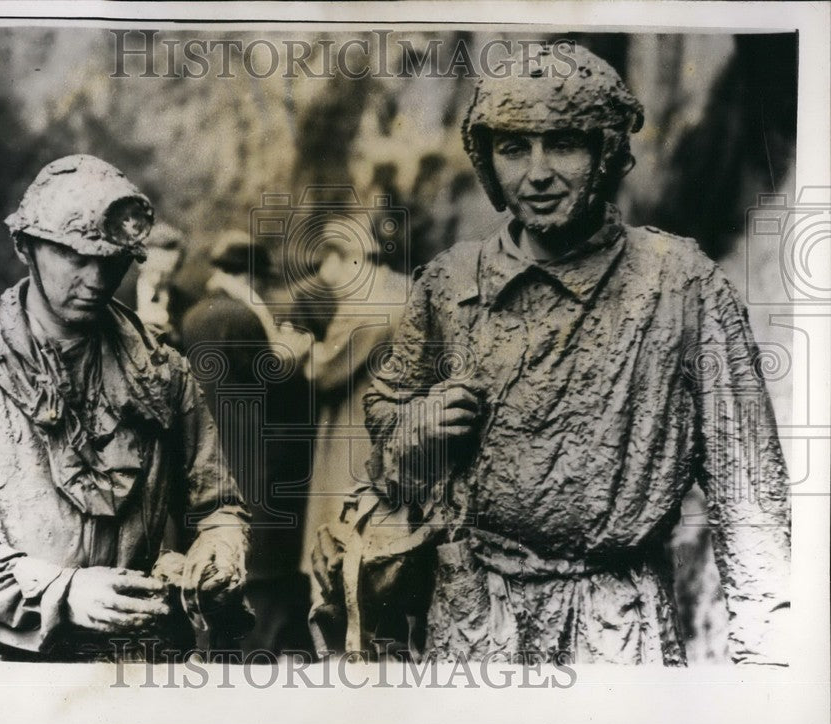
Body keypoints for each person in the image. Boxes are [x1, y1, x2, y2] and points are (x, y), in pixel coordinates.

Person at [315, 44, 790, 666]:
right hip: (473, 619)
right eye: (513, 148)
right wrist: (417, 428)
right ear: (487, 162)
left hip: (617, 623)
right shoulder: (449, 283)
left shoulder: (682, 285)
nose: (536, 173)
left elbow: (749, 496)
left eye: (563, 143)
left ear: (606, 153)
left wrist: (770, 662)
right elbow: (387, 448)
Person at [0, 155, 250, 661]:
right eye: (74, 257)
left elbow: (218, 505)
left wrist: (218, 552)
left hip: (128, 674)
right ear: (25, 247)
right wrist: (59, 594)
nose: (96, 279)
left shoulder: (166, 376)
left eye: (112, 262)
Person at [180, 231, 314, 656]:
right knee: (263, 565)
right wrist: (295, 354)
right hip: (255, 452)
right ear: (250, 275)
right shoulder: (241, 316)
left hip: (214, 448)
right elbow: (271, 385)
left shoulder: (197, 314)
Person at [300, 217, 408, 602]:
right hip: (396, 435)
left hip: (354, 437)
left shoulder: (364, 303)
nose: (327, 277)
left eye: (330, 264)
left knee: (337, 549)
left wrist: (300, 350)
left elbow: (323, 371)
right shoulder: (404, 287)